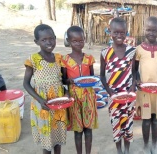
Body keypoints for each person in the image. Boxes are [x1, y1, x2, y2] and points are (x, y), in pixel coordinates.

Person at [23, 24, 67, 154]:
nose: (49, 42)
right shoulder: (33, 60)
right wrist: (40, 100)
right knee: (47, 140)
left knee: (58, 137)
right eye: (44, 40)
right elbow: (26, 83)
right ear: (36, 42)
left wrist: (67, 91)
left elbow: (63, 80)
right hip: (43, 105)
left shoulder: (59, 58)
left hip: (58, 104)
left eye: (51, 38)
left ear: (55, 38)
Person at [100, 17, 136, 154]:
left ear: (126, 33)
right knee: (116, 124)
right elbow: (102, 76)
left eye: (122, 32)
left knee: (128, 123)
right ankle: (119, 150)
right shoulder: (105, 53)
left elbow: (134, 72)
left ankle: (127, 149)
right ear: (110, 32)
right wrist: (110, 92)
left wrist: (133, 86)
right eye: (116, 32)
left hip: (128, 96)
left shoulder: (132, 51)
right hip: (113, 97)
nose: (119, 35)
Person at [135, 16, 157, 154]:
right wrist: (137, 80)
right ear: (144, 29)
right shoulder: (139, 49)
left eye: (154, 30)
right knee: (146, 119)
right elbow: (134, 69)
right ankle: (145, 145)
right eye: (148, 30)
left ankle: (154, 146)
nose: (151, 33)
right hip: (144, 91)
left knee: (156, 120)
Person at [61, 26, 98, 154]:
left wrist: (92, 80)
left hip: (88, 96)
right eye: (75, 41)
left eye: (81, 40)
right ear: (69, 42)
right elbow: (63, 80)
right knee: (78, 130)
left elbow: (92, 77)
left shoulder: (89, 58)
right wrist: (69, 81)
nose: (78, 43)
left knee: (88, 129)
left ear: (84, 40)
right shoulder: (64, 60)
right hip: (74, 97)